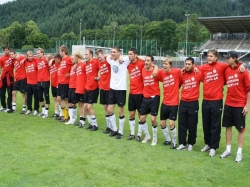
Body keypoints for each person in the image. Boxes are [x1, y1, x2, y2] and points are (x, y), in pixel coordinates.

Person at [199, 49, 245, 157]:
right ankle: (208, 144)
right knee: (206, 124)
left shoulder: (222, 66)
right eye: (208, 56)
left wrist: (241, 64)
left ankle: (214, 147)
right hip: (205, 100)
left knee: (215, 124)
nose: (208, 58)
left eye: (211, 56)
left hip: (217, 100)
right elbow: (194, 68)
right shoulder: (204, 67)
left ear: (216, 58)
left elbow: (234, 63)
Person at [220, 51, 250, 162]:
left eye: (228, 58)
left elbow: (249, 90)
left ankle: (239, 152)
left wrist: (247, 106)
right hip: (228, 103)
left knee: (240, 129)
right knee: (228, 127)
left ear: (234, 58)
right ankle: (228, 150)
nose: (226, 60)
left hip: (240, 104)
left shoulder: (243, 71)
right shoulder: (226, 69)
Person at [177, 57, 203, 151]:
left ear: (193, 65)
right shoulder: (182, 74)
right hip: (183, 102)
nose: (187, 66)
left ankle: (191, 143)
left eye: (189, 64)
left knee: (192, 124)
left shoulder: (198, 73)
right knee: (182, 123)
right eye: (186, 64)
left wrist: (198, 68)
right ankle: (182, 143)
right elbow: (178, 85)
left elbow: (206, 79)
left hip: (193, 102)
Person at [107, 46, 130, 139]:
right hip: (112, 88)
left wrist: (121, 58)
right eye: (111, 52)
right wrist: (110, 55)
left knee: (120, 111)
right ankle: (115, 129)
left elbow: (133, 56)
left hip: (121, 89)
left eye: (114, 52)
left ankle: (120, 132)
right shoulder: (110, 60)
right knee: (109, 110)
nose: (112, 53)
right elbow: (106, 56)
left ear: (119, 53)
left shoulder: (124, 60)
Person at [158, 57, 181, 149]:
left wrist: (195, 67)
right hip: (165, 102)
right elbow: (154, 73)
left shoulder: (176, 71)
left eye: (166, 64)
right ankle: (168, 139)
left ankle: (174, 142)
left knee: (171, 123)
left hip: (174, 103)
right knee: (162, 123)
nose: (164, 65)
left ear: (170, 65)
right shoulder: (162, 73)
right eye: (163, 63)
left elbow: (186, 69)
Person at [137, 55, 160, 146]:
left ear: (152, 63)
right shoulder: (143, 69)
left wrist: (156, 66)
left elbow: (156, 68)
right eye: (145, 61)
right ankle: (147, 136)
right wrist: (138, 56)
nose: (146, 62)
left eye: (148, 61)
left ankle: (155, 138)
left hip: (154, 97)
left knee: (153, 119)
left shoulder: (155, 71)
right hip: (145, 97)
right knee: (142, 118)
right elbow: (141, 60)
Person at [126, 48, 145, 140]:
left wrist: (140, 58)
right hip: (132, 93)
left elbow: (149, 62)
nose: (129, 56)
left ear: (136, 55)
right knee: (131, 114)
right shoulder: (128, 65)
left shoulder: (141, 64)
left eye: (131, 54)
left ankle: (139, 134)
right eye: (128, 54)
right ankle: (132, 133)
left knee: (140, 114)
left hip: (140, 93)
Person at [95, 49, 111, 133]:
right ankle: (108, 127)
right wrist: (98, 76)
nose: (99, 58)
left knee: (109, 109)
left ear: (103, 55)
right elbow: (99, 71)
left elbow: (112, 57)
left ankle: (112, 127)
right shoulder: (98, 62)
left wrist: (107, 55)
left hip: (109, 88)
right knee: (105, 108)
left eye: (100, 57)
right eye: (98, 57)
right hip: (102, 87)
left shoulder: (108, 61)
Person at [84, 49, 99, 131]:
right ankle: (91, 123)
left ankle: (95, 125)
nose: (85, 56)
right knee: (85, 107)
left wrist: (99, 77)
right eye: (85, 54)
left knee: (89, 107)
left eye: (86, 54)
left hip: (93, 87)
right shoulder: (86, 63)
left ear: (91, 55)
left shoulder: (96, 62)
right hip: (86, 87)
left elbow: (103, 68)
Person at [8, 49, 27, 114]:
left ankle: (24, 108)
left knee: (23, 94)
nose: (11, 56)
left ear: (15, 54)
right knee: (13, 93)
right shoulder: (13, 60)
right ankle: (13, 108)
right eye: (10, 55)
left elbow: (28, 56)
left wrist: (23, 58)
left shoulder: (21, 57)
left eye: (12, 54)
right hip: (17, 79)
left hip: (23, 78)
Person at [57, 45, 72, 122]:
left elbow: (75, 65)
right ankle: (63, 114)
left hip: (66, 82)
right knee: (59, 98)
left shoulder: (69, 59)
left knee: (66, 100)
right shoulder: (62, 60)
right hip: (60, 82)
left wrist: (70, 73)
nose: (59, 53)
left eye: (60, 51)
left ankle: (66, 116)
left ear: (63, 51)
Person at [36, 48, 50, 118]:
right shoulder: (37, 60)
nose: (38, 54)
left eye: (39, 53)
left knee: (46, 96)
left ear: (42, 53)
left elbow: (51, 60)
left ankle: (46, 113)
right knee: (40, 97)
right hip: (39, 81)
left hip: (46, 81)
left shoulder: (46, 59)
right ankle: (43, 110)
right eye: (37, 53)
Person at [74, 50, 87, 128]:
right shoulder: (78, 65)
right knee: (79, 104)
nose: (73, 58)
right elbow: (73, 70)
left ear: (77, 57)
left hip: (82, 87)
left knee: (83, 105)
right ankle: (81, 119)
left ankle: (83, 120)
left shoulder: (83, 65)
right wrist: (76, 63)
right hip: (77, 87)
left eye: (74, 57)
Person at [24, 51, 39, 115]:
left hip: (35, 82)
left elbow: (38, 58)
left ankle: (36, 109)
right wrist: (25, 59)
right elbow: (20, 57)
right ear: (27, 56)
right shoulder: (26, 61)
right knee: (29, 97)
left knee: (36, 97)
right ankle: (29, 109)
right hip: (28, 82)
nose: (30, 57)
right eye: (29, 56)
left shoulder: (35, 60)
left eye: (31, 56)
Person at [0, 45, 14, 112]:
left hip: (10, 77)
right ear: (3, 51)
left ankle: (9, 107)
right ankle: (3, 106)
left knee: (9, 92)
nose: (6, 51)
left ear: (9, 50)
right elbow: (1, 67)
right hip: (3, 77)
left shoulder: (12, 57)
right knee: (2, 93)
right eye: (5, 50)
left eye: (7, 50)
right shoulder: (1, 58)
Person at [64, 55, 77, 125]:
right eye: (71, 59)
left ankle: (73, 118)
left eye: (73, 59)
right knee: (70, 103)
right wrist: (69, 75)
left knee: (73, 103)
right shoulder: (72, 67)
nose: (71, 60)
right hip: (70, 86)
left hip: (75, 87)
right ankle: (72, 119)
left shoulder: (77, 67)